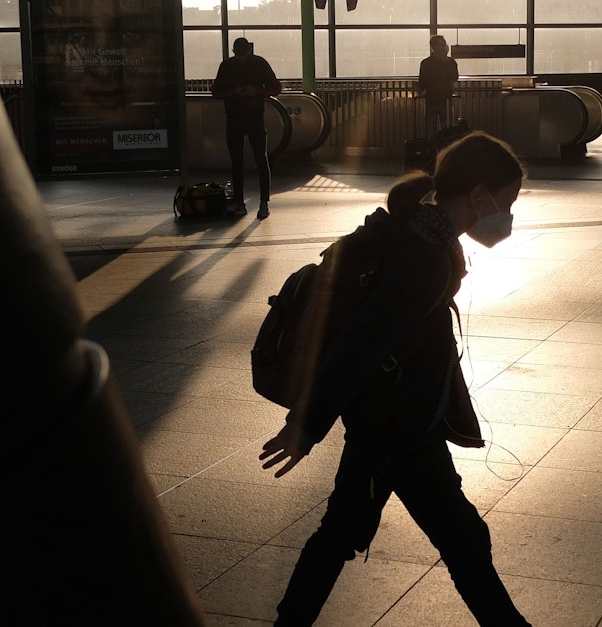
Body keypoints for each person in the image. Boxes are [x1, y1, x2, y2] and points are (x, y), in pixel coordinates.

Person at [259, 131, 530, 627]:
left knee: (340, 532)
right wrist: (305, 424)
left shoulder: (420, 233)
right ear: (477, 195)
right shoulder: (424, 256)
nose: (507, 214)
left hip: (383, 419)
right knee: (463, 539)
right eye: (507, 200)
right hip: (399, 428)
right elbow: (361, 344)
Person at [210, 37, 282, 219]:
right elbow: (276, 88)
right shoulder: (260, 63)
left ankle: (239, 202)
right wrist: (257, 92)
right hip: (255, 116)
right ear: (249, 49)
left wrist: (233, 93)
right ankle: (263, 203)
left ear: (233, 50)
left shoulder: (226, 65)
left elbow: (216, 92)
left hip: (234, 117)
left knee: (237, 162)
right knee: (261, 160)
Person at [417, 35, 459, 138]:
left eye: (444, 45)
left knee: (443, 130)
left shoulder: (427, 63)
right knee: (437, 130)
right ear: (433, 47)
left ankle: (436, 151)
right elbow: (422, 81)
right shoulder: (448, 62)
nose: (444, 47)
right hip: (439, 100)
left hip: (440, 100)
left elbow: (454, 77)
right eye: (441, 45)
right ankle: (434, 151)